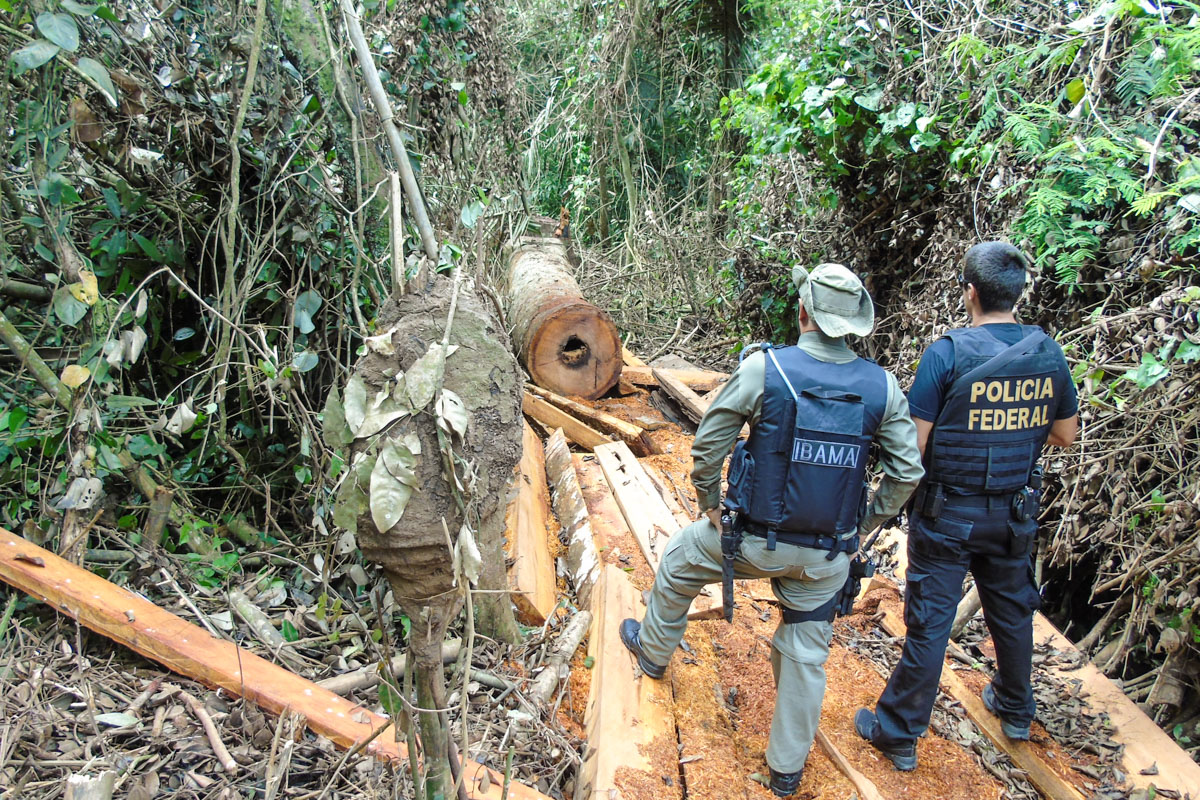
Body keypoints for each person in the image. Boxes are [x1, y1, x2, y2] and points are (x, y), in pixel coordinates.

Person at [619, 263, 924, 797]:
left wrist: (710, 504)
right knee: (807, 651)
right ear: (853, 325)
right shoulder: (882, 387)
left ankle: (652, 652)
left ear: (803, 311)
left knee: (679, 561)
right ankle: (785, 770)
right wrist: (862, 526)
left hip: (745, 544)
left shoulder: (766, 370)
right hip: (826, 557)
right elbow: (907, 472)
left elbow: (710, 443)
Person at [855, 241, 1079, 771]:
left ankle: (900, 733)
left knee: (931, 622)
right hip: (1012, 515)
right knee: (1012, 610)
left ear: (970, 292)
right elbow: (1066, 435)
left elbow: (915, 444)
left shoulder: (947, 354)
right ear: (1019, 293)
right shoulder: (1047, 352)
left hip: (946, 515)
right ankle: (1016, 709)